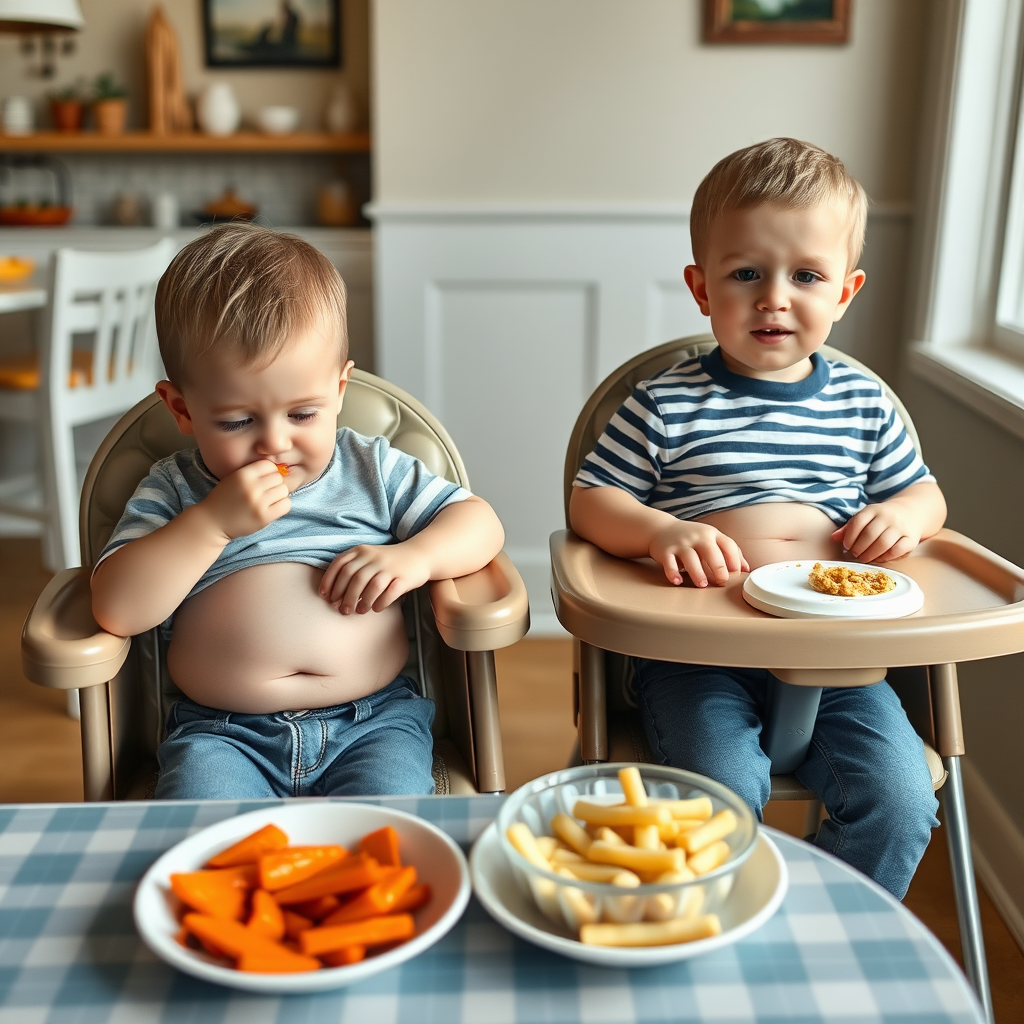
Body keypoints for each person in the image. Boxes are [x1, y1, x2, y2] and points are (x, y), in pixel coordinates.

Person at [569, 138, 945, 899]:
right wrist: (659, 531)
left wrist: (902, 515)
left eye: (807, 276)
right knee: (719, 794)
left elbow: (929, 497)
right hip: (698, 655)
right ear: (702, 287)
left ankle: (829, 928)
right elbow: (591, 502)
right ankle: (717, 929)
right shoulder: (663, 403)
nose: (775, 297)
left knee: (902, 801)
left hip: (839, 658)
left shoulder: (864, 405)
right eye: (746, 274)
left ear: (845, 292)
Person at [91, 225, 504, 800]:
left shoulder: (370, 469)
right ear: (181, 409)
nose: (274, 444)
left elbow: (480, 524)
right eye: (237, 422)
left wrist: (416, 556)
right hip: (221, 733)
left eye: (303, 415)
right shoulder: (175, 488)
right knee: (206, 846)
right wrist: (210, 524)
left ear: (339, 390)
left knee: (384, 840)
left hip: (373, 724)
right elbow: (117, 606)